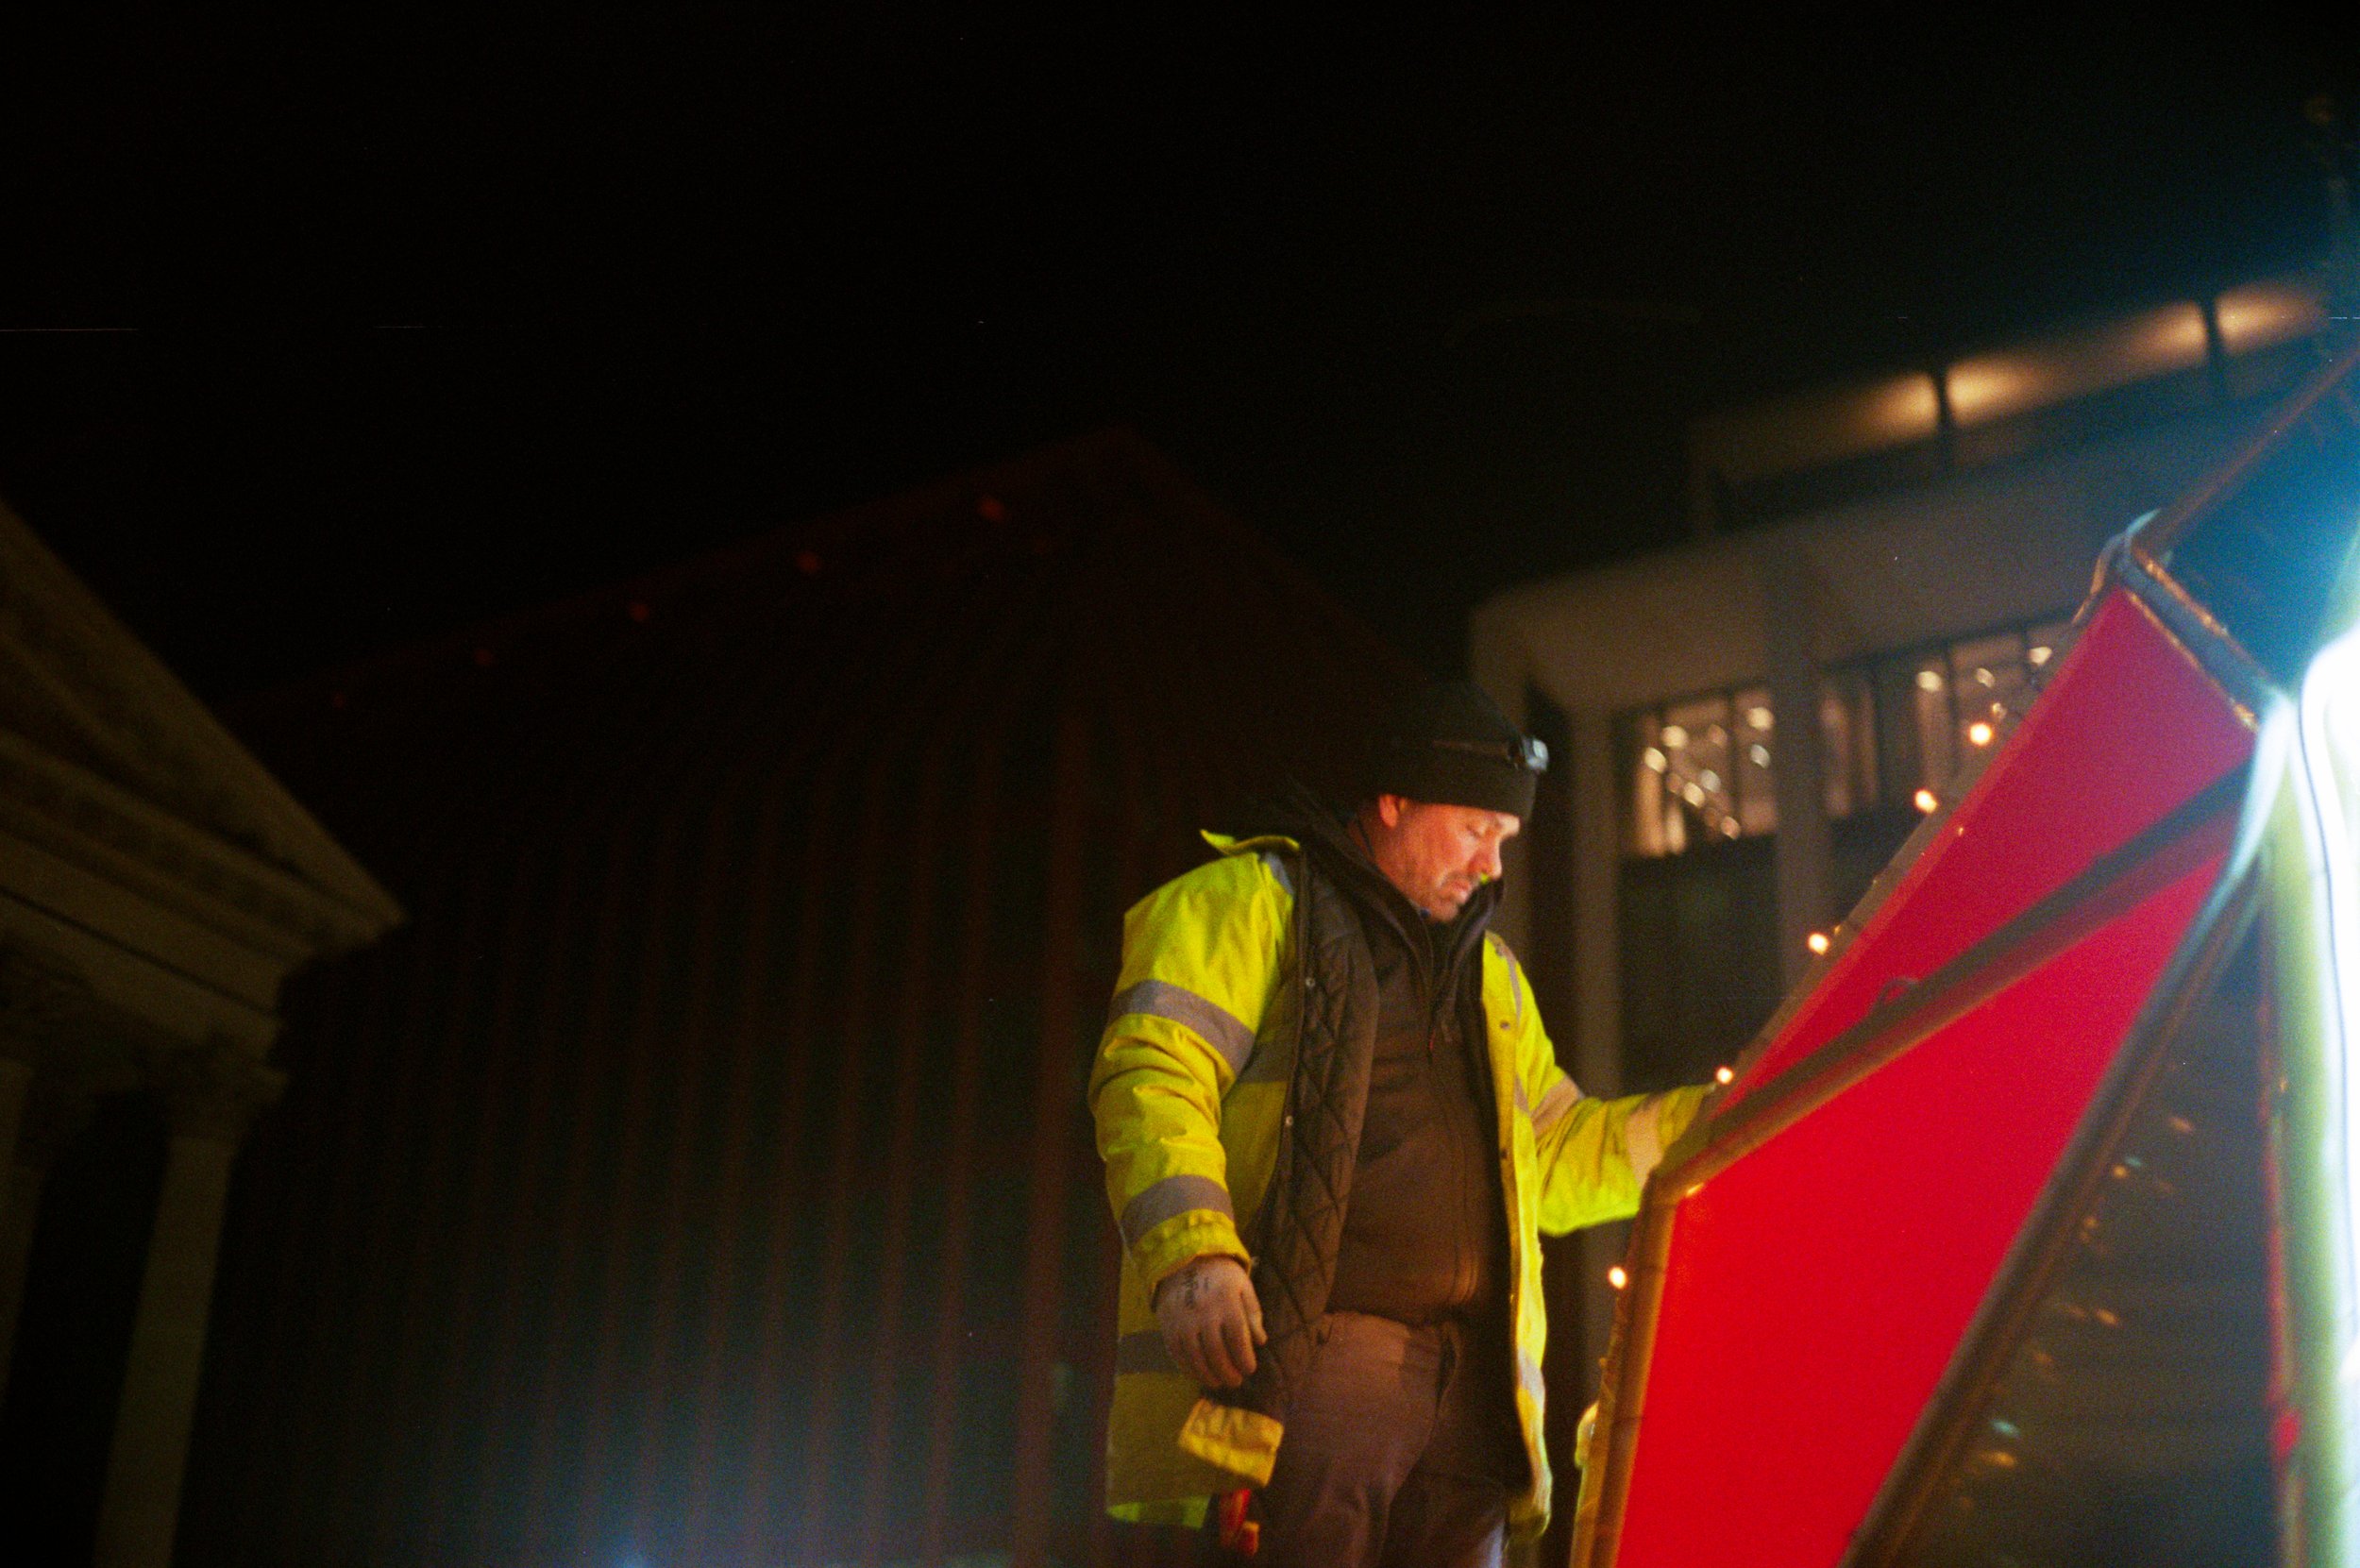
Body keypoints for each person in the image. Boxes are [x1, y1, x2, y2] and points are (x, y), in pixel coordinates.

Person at [1088, 682, 1712, 1566]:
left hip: (1475, 1395)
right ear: (1393, 801)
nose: (1492, 865)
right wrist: (1193, 1256)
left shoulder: (1493, 979)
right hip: (1314, 1365)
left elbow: (1558, 1156)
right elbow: (1152, 1075)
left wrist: (1728, 1115)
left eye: (1504, 840)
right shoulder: (1244, 903)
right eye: (1474, 830)